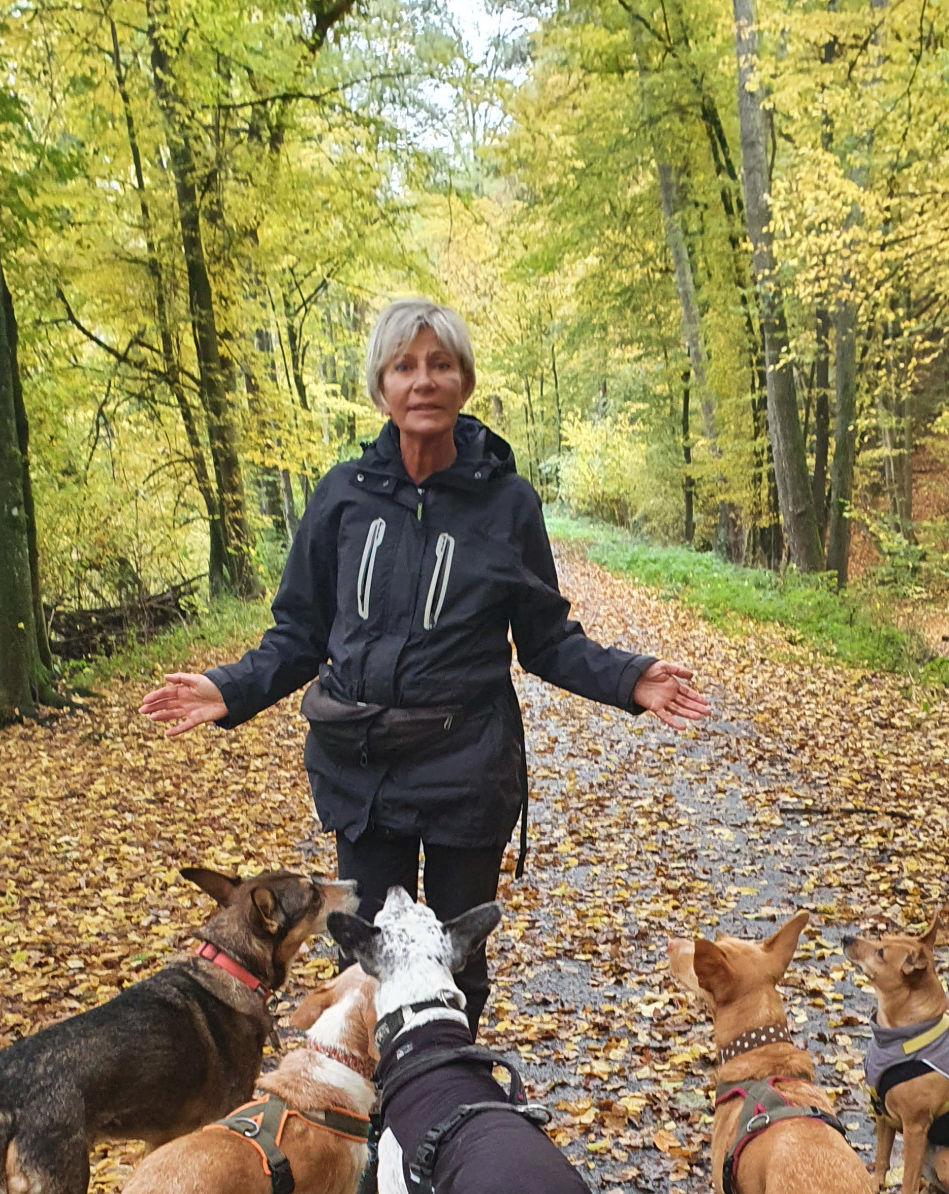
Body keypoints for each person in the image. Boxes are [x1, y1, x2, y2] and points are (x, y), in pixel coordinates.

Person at [143, 295, 709, 1029]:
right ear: (381, 387)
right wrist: (230, 688)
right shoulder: (342, 497)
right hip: (360, 772)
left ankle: (449, 1105)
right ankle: (372, 1122)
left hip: (465, 770)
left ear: (464, 382)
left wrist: (631, 678)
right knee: (363, 965)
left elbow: (545, 638)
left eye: (440, 364)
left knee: (454, 963)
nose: (423, 381)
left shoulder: (507, 504)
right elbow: (301, 632)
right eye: (404, 366)